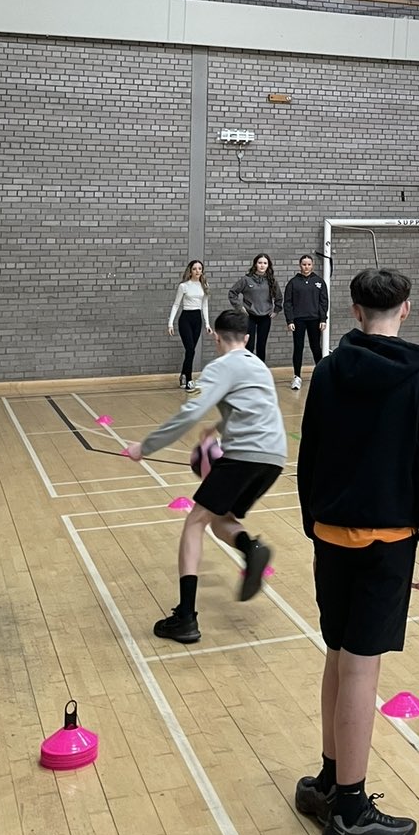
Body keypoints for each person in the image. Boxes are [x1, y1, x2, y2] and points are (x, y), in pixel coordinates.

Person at [294, 268, 419, 835]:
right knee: (362, 668)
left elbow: (310, 452)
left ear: (355, 310)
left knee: (337, 655)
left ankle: (331, 781)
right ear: (405, 309)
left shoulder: (330, 370)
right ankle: (352, 814)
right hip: (387, 540)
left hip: (331, 533)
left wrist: (315, 524)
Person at [123, 309, 286, 644]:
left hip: (243, 456)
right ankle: (249, 546)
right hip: (274, 458)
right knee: (218, 518)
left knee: (195, 522)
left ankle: (185, 618)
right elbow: (255, 406)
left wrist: (147, 446)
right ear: (248, 337)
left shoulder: (220, 366)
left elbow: (190, 410)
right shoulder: (258, 365)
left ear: (215, 336)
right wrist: (217, 428)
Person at [283, 253, 329, 391]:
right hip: (298, 320)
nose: (306, 267)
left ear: (312, 265)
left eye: (309, 264)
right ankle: (297, 377)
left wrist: (323, 319)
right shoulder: (293, 283)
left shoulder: (319, 282)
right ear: (300, 265)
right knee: (298, 348)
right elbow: (288, 303)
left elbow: (324, 302)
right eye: (304, 264)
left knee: (316, 348)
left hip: (314, 320)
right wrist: (290, 319)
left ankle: (321, 376)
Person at [168, 259, 214, 392]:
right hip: (185, 319)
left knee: (191, 350)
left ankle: (183, 374)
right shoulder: (184, 286)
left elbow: (204, 305)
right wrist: (170, 323)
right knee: (190, 349)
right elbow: (176, 304)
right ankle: (188, 379)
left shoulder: (204, 285)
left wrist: (207, 323)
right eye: (195, 269)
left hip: (197, 319)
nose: (197, 271)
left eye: (200, 268)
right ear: (190, 270)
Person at [229, 253, 282, 365]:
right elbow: (232, 293)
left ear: (268, 265)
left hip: (265, 317)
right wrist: (240, 307)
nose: (262, 265)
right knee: (249, 345)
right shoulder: (246, 280)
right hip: (250, 316)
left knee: (261, 345)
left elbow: (279, 297)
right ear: (255, 264)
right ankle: (247, 368)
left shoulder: (271, 281)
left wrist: (276, 310)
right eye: (260, 263)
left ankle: (260, 370)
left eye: (265, 263)